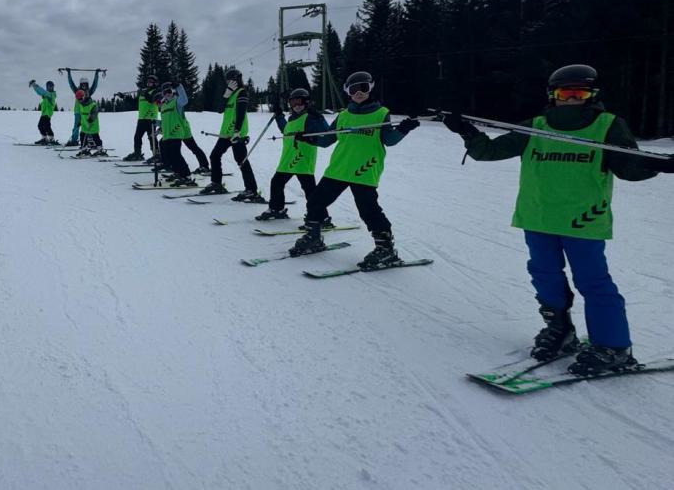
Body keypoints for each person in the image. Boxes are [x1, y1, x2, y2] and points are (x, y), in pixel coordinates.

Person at [443, 64, 674, 376]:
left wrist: (656, 164)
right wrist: (466, 130)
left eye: (580, 93)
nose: (572, 99)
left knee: (593, 281)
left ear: (592, 95)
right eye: (566, 93)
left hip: (583, 221)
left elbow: (627, 168)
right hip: (538, 218)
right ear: (553, 95)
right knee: (543, 274)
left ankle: (614, 346)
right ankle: (560, 330)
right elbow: (490, 152)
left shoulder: (607, 126)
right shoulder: (536, 125)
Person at [289, 71, 421, 268]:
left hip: (364, 170)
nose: (359, 92)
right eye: (354, 89)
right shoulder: (343, 116)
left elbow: (389, 140)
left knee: (368, 210)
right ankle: (313, 237)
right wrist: (308, 137)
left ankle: (385, 249)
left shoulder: (381, 113)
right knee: (316, 201)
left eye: (363, 88)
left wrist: (404, 129)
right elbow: (326, 140)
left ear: (371, 88)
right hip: (339, 169)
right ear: (348, 92)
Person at [257, 88, 330, 221]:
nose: (296, 106)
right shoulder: (291, 119)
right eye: (293, 103)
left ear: (307, 102)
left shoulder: (309, 118)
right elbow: (285, 130)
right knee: (277, 183)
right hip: (287, 160)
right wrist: (279, 116)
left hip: (302, 160)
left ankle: (321, 217)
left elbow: (327, 133)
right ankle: (276, 209)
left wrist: (319, 117)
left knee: (310, 191)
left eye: (299, 102)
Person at [200, 68, 260, 201]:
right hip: (225, 133)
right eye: (228, 80)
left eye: (232, 79)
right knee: (215, 156)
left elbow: (241, 113)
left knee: (241, 161)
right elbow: (220, 110)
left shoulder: (241, 93)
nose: (230, 82)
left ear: (238, 79)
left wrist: (238, 131)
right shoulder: (230, 94)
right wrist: (226, 95)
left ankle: (251, 190)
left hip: (236, 134)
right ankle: (216, 183)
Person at [155, 82, 197, 186]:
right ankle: (177, 172)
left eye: (169, 91)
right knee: (169, 155)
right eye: (165, 92)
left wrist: (179, 86)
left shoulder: (177, 102)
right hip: (168, 134)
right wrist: (157, 123)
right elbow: (166, 120)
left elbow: (185, 100)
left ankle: (186, 176)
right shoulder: (163, 106)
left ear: (173, 91)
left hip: (177, 132)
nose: (167, 94)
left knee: (176, 155)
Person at [123, 75, 160, 161]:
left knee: (152, 137)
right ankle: (137, 153)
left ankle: (156, 154)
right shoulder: (143, 92)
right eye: (148, 81)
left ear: (155, 83)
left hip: (151, 118)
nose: (149, 83)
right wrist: (125, 97)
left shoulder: (156, 92)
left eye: (151, 81)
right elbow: (134, 103)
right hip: (142, 118)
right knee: (137, 137)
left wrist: (145, 93)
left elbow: (152, 100)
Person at [63, 68, 101, 146]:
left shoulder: (89, 91)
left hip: (87, 112)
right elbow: (71, 84)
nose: (84, 86)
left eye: (85, 84)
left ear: (87, 85)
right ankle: (74, 140)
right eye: (82, 84)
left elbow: (95, 84)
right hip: (78, 111)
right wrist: (69, 73)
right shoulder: (77, 91)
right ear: (80, 85)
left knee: (88, 125)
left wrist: (96, 74)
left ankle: (90, 140)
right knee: (77, 126)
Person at [73, 89, 106, 157]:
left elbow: (95, 112)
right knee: (82, 135)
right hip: (85, 124)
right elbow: (82, 115)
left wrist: (91, 118)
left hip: (92, 124)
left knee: (95, 137)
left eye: (80, 99)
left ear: (84, 97)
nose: (80, 101)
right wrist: (79, 122)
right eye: (78, 99)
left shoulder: (92, 104)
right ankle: (85, 149)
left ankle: (100, 149)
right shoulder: (81, 105)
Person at [29, 79, 58, 144]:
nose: (50, 87)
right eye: (48, 86)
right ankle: (44, 138)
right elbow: (39, 92)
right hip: (44, 113)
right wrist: (34, 87)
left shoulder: (51, 95)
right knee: (40, 125)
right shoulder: (46, 95)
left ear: (53, 87)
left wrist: (34, 85)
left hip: (48, 113)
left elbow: (42, 91)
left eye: (51, 86)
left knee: (47, 126)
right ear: (47, 87)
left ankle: (51, 139)